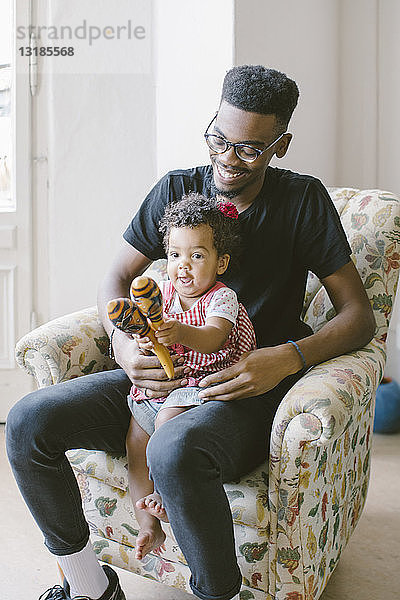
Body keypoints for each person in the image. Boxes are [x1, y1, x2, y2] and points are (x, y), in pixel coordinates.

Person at [6, 65, 376, 600]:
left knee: (173, 450)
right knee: (28, 421)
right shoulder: (177, 190)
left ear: (281, 144)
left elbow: (357, 316)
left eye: (248, 149)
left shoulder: (302, 202)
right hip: (166, 376)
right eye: (218, 139)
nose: (227, 158)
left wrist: (286, 357)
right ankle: (89, 585)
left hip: (243, 394)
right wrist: (123, 343)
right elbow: (117, 275)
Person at [125, 193, 257, 561]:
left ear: (220, 262)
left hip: (202, 381)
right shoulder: (162, 292)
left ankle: (165, 496)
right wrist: (145, 339)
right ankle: (148, 526)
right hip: (167, 382)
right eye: (175, 255)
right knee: (135, 441)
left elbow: (213, 337)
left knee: (166, 426)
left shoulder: (222, 298)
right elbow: (150, 336)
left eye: (197, 256)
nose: (183, 266)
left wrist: (178, 331)